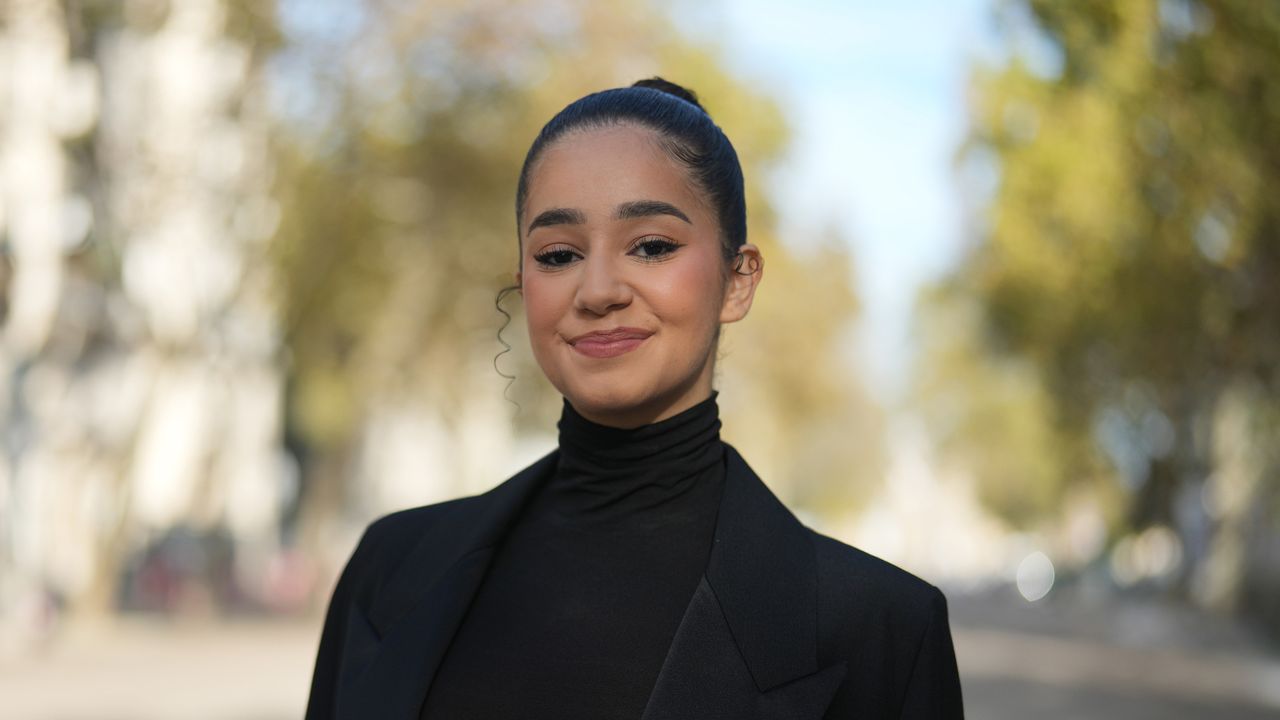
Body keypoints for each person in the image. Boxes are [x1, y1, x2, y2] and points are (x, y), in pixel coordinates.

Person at [304, 77, 964, 720]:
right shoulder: (389, 575)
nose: (597, 291)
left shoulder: (880, 630)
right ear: (523, 282)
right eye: (558, 254)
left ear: (738, 280)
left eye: (651, 246)